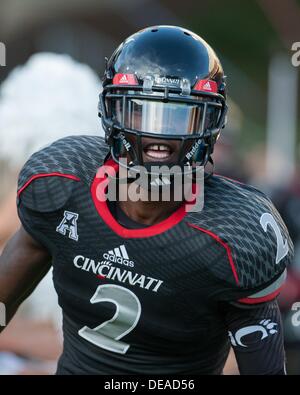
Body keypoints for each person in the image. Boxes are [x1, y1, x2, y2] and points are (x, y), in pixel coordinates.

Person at [0, 25, 293, 375]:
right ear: (111, 111)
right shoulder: (61, 182)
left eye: (179, 114)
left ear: (211, 124)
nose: (159, 136)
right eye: (142, 110)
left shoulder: (235, 233)